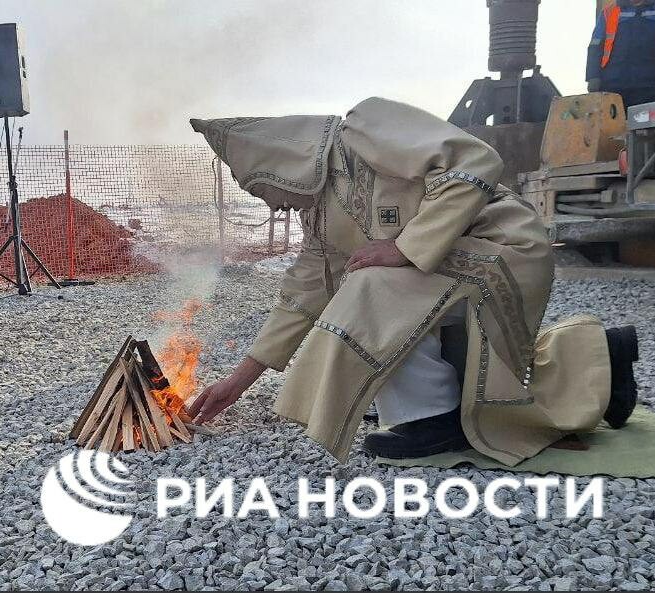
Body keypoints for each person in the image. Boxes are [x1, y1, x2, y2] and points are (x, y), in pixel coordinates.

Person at [188, 97, 639, 464]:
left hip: (504, 249)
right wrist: (237, 383)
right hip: (451, 270)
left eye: (258, 189)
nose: (271, 205)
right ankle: (599, 354)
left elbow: (476, 160)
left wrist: (405, 248)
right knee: (482, 380)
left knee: (371, 284)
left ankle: (431, 418)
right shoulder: (320, 220)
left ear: (279, 164)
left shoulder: (365, 127)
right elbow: (300, 299)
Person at [587, 0, 655, 107]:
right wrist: (593, 76)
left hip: (650, 87)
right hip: (613, 86)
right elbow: (595, 46)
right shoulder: (609, 12)